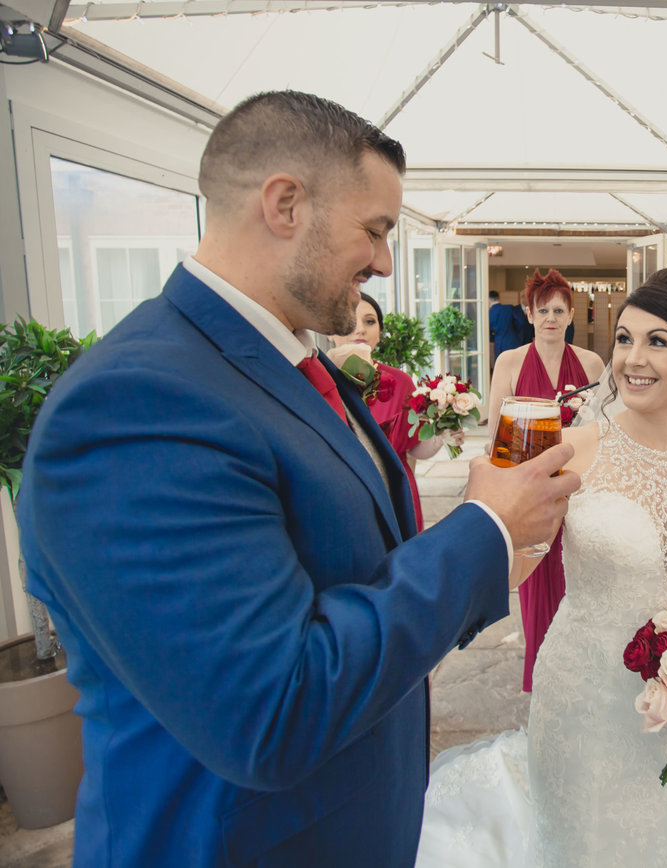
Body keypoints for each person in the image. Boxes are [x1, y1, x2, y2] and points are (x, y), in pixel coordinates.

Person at [15, 90, 579, 868]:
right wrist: (481, 531)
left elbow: (356, 571)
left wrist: (495, 552)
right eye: (376, 230)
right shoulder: (134, 405)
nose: (385, 260)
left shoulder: (291, 365)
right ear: (285, 205)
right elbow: (270, 710)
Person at [417, 268, 667, 866]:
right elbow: (515, 565)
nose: (632, 359)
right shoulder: (570, 448)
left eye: (657, 341)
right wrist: (483, 534)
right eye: (623, 338)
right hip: (582, 700)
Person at [488, 268, 605, 691]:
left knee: (581, 587)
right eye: (543, 310)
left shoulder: (591, 363)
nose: (551, 317)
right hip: (532, 493)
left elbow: (605, 429)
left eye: (559, 309)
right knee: (537, 589)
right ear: (529, 313)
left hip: (580, 491)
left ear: (571, 314)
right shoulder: (510, 362)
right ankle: (544, 686)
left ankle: (579, 681)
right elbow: (494, 435)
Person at [328, 291, 458, 531]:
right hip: (340, 497)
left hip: (395, 490)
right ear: (330, 331)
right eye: (350, 321)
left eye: (370, 321)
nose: (360, 330)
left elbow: (414, 449)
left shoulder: (399, 381)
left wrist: (442, 432)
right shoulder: (317, 380)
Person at [488, 289, 531, 361]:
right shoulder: (509, 308)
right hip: (514, 342)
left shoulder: (489, 313)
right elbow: (521, 322)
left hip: (499, 345)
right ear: (499, 298)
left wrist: (495, 337)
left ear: (489, 300)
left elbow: (488, 332)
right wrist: (516, 334)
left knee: (501, 366)